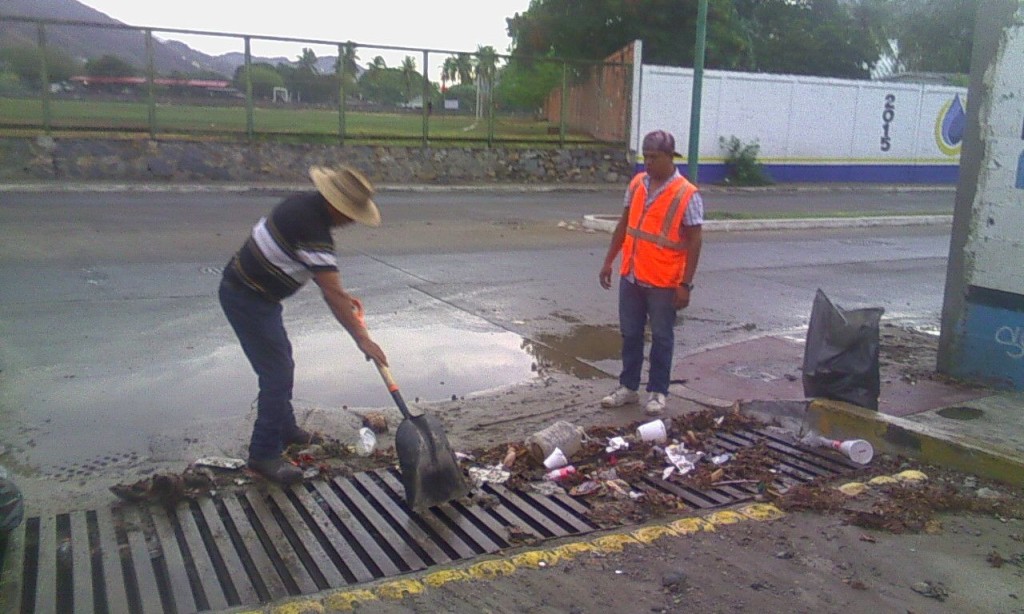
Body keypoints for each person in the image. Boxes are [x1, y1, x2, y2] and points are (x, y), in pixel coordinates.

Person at [219, 165, 388, 485]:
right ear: (336, 205)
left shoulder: (303, 206)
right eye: (351, 214)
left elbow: (325, 282)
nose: (352, 221)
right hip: (247, 298)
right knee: (277, 373)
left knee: (281, 364)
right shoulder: (313, 228)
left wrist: (341, 297)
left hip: (254, 295)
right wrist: (362, 339)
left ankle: (285, 429)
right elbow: (331, 292)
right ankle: (263, 454)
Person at [598, 130, 704, 415]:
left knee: (661, 337)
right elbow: (624, 225)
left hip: (663, 282)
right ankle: (628, 388)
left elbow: (695, 241)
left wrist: (685, 284)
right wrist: (609, 261)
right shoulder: (637, 184)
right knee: (630, 334)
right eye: (645, 157)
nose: (648, 163)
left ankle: (658, 392)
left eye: (654, 157)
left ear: (670, 157)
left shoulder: (686, 194)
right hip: (632, 275)